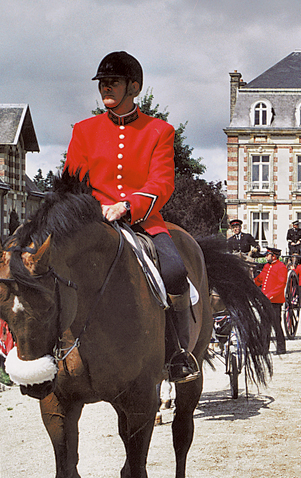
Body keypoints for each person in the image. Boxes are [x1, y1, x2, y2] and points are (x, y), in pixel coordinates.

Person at [64, 51, 198, 383]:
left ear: (134, 87)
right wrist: (93, 210)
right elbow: (73, 181)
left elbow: (162, 182)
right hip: (93, 223)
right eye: (103, 83)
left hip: (143, 221)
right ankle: (48, 350)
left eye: (114, 82)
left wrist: (127, 206)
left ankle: (177, 353)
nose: (106, 88)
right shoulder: (84, 130)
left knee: (175, 271)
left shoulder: (159, 131)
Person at [254, 247, 288, 354]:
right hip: (265, 300)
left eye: (267, 255)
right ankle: (264, 348)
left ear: (274, 256)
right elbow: (260, 279)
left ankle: (281, 348)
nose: (265, 257)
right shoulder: (266, 266)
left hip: (275, 301)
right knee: (264, 325)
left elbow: (280, 285)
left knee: (276, 325)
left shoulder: (281, 267)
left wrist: (269, 296)